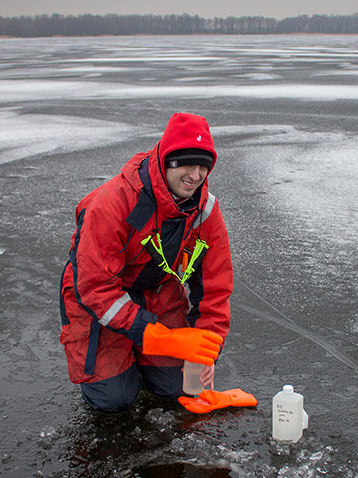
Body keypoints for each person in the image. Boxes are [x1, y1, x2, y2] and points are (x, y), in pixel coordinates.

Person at [59, 112, 233, 413]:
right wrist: (154, 335)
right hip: (103, 298)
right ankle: (129, 356)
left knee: (177, 387)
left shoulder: (205, 211)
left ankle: (143, 355)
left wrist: (206, 352)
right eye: (186, 163)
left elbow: (215, 288)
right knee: (114, 400)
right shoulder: (111, 203)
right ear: (166, 160)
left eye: (204, 165)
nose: (196, 174)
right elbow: (95, 288)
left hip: (157, 292)